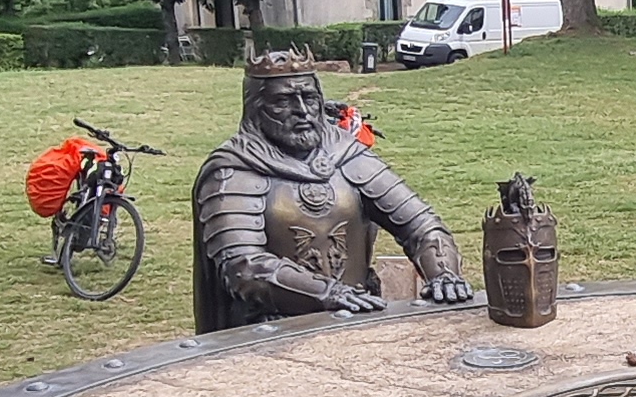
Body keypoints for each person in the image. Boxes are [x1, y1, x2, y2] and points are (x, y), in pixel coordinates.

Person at [190, 51, 474, 331]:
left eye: (309, 98)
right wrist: (328, 293)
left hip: (359, 321)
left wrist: (444, 274)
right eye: (283, 101)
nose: (302, 111)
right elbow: (246, 267)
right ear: (256, 107)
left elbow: (422, 226)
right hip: (271, 332)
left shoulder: (347, 154)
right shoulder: (232, 172)